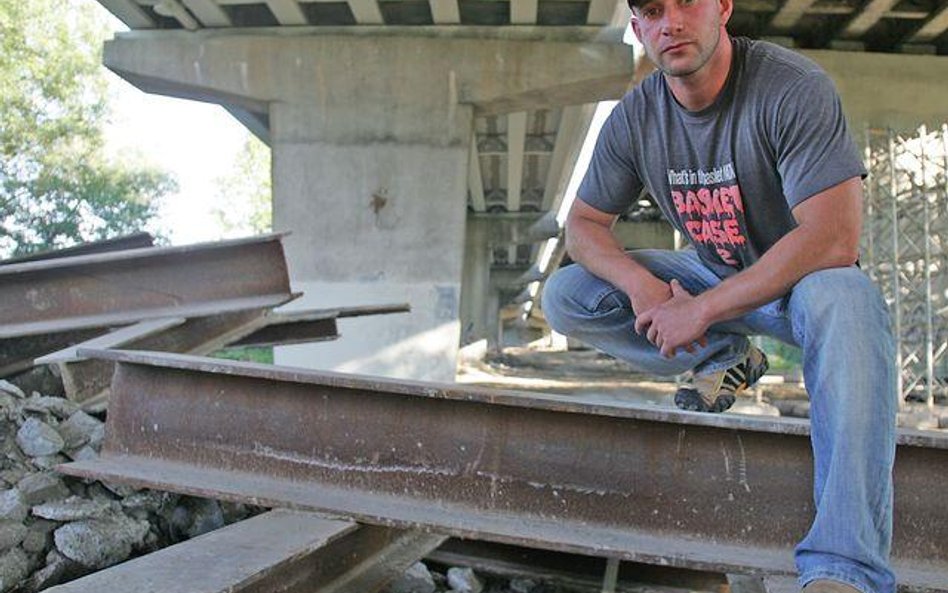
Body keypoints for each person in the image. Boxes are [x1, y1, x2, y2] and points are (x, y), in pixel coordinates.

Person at [540, 0, 898, 591]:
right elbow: (582, 224)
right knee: (569, 293)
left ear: (724, 7)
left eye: (688, 3)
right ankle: (726, 358)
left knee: (850, 300)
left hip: (800, 282)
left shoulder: (790, 87)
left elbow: (835, 236)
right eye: (652, 11)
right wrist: (647, 291)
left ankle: (843, 568)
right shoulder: (636, 117)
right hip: (710, 272)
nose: (670, 22)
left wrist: (700, 310)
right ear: (637, 29)